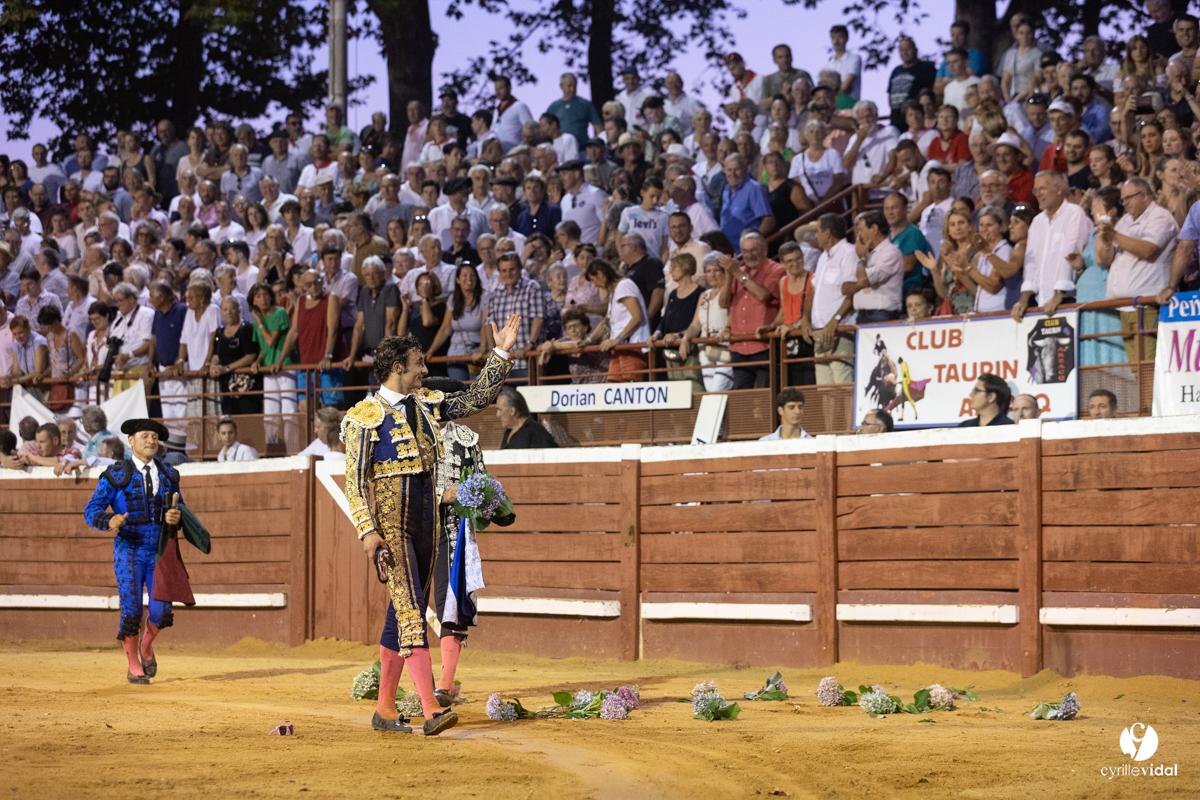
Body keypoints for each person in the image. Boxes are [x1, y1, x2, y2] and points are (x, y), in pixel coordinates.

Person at [343, 320, 520, 735]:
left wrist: (501, 354)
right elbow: (353, 484)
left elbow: (476, 398)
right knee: (410, 616)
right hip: (394, 529)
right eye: (419, 364)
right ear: (398, 367)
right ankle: (429, 710)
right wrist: (369, 533)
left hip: (427, 526)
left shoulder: (425, 404)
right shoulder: (363, 418)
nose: (425, 371)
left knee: (401, 612)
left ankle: (385, 708)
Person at [83, 418, 189, 684]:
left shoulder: (168, 475)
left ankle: (146, 647)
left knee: (161, 612)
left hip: (158, 550)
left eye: (154, 437)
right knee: (132, 611)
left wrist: (177, 516)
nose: (151, 441)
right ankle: (133, 665)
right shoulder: (116, 474)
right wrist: (109, 520)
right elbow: (92, 509)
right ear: (131, 441)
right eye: (145, 436)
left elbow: (181, 508)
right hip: (129, 549)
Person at [1012, 171, 1094, 321]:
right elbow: (1031, 265)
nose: (1037, 194)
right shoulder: (1037, 222)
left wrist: (1058, 295)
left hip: (1068, 300)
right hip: (1041, 302)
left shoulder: (1074, 213)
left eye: (1042, 188)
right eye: (1035, 190)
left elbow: (1070, 254)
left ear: (1058, 189)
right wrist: (1023, 299)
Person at [802, 213, 857, 385]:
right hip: (820, 329)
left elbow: (852, 292)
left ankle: (847, 414)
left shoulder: (849, 253)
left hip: (839, 329)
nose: (816, 236)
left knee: (843, 383)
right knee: (824, 389)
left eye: (818, 231)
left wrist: (836, 320)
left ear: (827, 233)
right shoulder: (823, 257)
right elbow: (814, 290)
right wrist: (805, 318)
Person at [846, 211, 905, 323]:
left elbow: (863, 280)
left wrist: (862, 260)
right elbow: (845, 287)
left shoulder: (891, 253)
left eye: (861, 230)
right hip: (861, 316)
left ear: (874, 228)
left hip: (882, 315)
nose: (858, 235)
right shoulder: (864, 253)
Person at [888, 37, 937, 131]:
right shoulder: (896, 70)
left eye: (908, 49)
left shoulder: (927, 68)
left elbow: (934, 92)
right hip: (896, 121)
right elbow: (890, 94)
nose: (905, 52)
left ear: (915, 50)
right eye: (901, 50)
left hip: (916, 122)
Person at [824, 24, 863, 102]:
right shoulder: (828, 65)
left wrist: (835, 88)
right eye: (833, 38)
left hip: (850, 105)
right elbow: (824, 88)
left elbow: (846, 85)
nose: (836, 42)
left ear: (846, 39)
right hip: (832, 107)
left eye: (839, 38)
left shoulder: (854, 59)